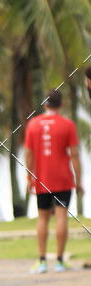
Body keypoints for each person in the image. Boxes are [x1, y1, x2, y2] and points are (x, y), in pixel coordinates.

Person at [24, 89, 83, 273]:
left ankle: (41, 261)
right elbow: (74, 155)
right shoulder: (68, 125)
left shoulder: (33, 124)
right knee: (61, 217)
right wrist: (79, 181)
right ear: (61, 105)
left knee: (42, 218)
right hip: (63, 179)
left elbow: (28, 154)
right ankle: (59, 261)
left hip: (42, 179)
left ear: (44, 104)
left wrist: (29, 177)